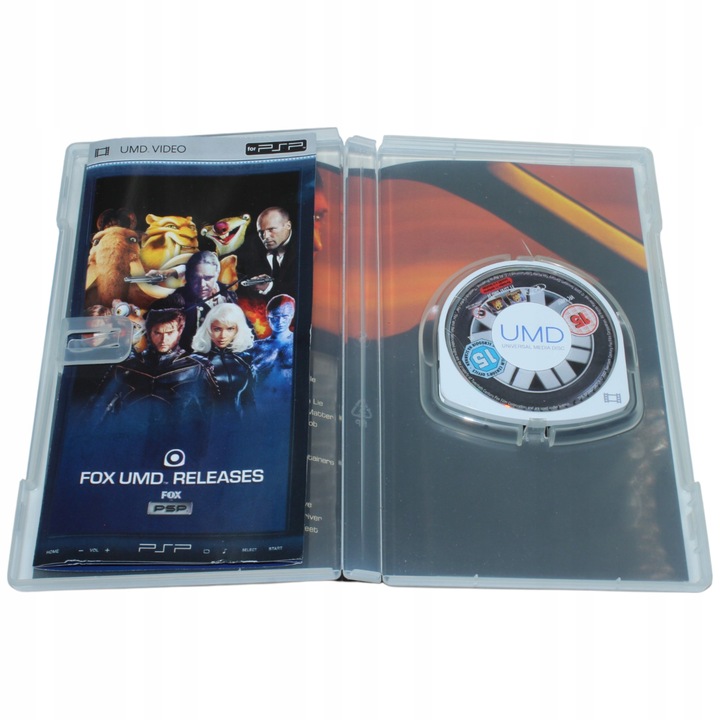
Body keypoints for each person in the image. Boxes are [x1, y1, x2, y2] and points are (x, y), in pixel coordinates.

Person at [91, 299, 216, 431]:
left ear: (180, 330)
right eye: (157, 333)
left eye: (169, 333)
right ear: (149, 331)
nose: (164, 339)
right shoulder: (126, 366)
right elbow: (98, 408)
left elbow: (212, 415)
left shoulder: (198, 367)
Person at [160, 250, 238, 350]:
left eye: (208, 278)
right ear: (189, 277)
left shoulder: (230, 296)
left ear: (217, 275)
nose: (202, 285)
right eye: (195, 278)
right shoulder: (176, 300)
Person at [191, 303, 255, 415]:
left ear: (237, 330)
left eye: (230, 329)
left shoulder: (245, 360)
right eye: (217, 329)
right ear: (209, 329)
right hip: (207, 423)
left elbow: (249, 401)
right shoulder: (196, 361)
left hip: (240, 422)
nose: (223, 335)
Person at [237, 207, 298, 299]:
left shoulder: (305, 247)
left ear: (288, 226)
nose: (265, 237)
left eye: (271, 229)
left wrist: (270, 287)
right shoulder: (252, 245)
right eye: (260, 232)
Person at [250, 294, 295, 407]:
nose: (280, 321)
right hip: (261, 404)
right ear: (268, 317)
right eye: (275, 317)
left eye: (285, 316)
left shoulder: (299, 343)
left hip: (289, 404)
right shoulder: (256, 347)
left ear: (292, 315)